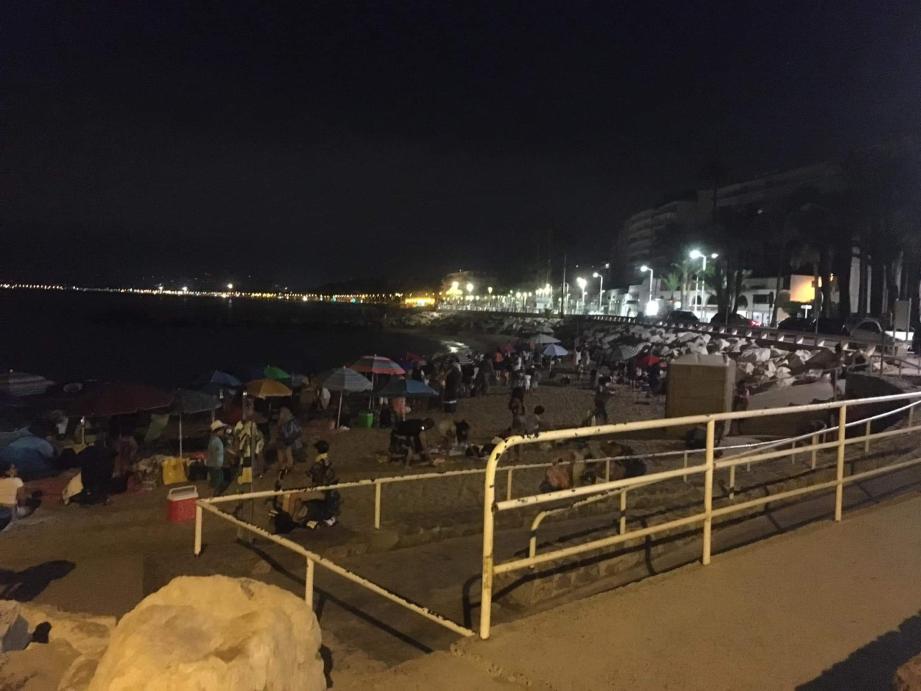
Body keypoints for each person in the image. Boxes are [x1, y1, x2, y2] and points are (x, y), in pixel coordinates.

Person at [77, 434, 117, 505]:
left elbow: (79, 457)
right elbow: (114, 453)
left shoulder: (88, 450)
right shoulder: (106, 451)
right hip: (100, 477)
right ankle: (104, 497)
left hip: (87, 477)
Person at [276, 407, 303, 479]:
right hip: (285, 442)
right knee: (286, 457)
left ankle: (284, 470)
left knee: (285, 457)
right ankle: (285, 469)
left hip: (285, 442)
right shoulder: (289, 422)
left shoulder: (287, 422)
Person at [206, 420, 230, 496]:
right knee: (218, 481)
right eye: (222, 430)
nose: (223, 431)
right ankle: (213, 495)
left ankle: (214, 494)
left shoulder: (214, 440)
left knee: (218, 480)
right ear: (218, 431)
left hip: (214, 465)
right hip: (215, 465)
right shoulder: (216, 441)